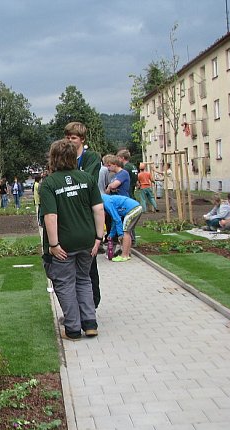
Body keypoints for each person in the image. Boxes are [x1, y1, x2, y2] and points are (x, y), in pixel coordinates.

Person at [39, 138, 105, 340]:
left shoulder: (49, 184)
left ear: (53, 158)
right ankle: (90, 323)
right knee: (84, 280)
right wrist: (98, 238)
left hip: (64, 243)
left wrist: (53, 244)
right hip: (87, 240)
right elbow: (99, 209)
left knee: (65, 283)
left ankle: (73, 328)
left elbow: (51, 216)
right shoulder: (87, 179)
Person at [64, 121, 103, 308]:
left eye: (74, 138)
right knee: (70, 269)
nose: (70, 141)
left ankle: (92, 303)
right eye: (68, 137)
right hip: (69, 216)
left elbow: (89, 181)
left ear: (82, 139)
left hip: (87, 213)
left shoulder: (91, 158)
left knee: (89, 264)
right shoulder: (64, 157)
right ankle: (77, 307)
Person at [101, 194, 143, 262]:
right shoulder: (107, 200)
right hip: (137, 208)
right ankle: (127, 254)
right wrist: (111, 234)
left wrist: (120, 234)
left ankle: (124, 255)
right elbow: (115, 220)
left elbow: (117, 219)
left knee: (125, 232)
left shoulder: (106, 203)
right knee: (127, 232)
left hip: (132, 209)